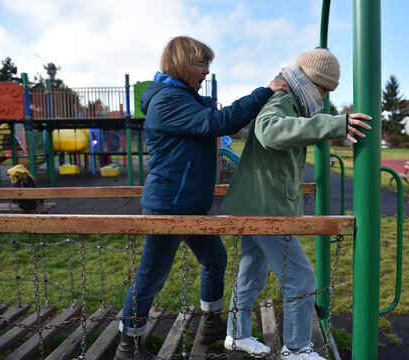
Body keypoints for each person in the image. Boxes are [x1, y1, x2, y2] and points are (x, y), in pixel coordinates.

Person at [114, 36, 289, 360]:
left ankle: (210, 323)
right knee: (151, 277)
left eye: (209, 63)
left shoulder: (185, 97)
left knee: (215, 259)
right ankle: (129, 346)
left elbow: (213, 123)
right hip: (168, 206)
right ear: (180, 64)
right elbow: (218, 123)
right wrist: (265, 92)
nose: (207, 71)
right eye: (201, 63)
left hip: (191, 205)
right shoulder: (167, 100)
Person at [220, 48, 372, 359]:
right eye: (324, 90)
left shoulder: (290, 95)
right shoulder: (284, 97)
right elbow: (269, 131)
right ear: (315, 83)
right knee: (300, 277)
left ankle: (236, 334)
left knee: (251, 272)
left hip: (258, 202)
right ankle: (297, 348)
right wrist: (334, 124)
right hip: (266, 206)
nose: (324, 98)